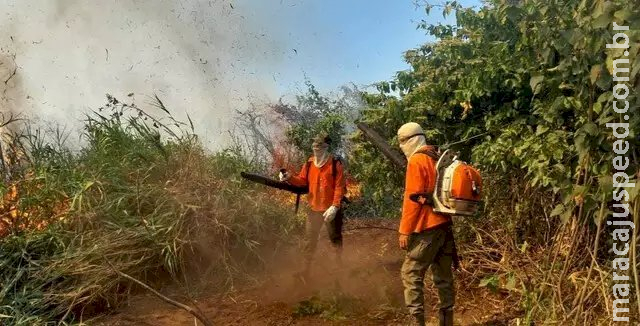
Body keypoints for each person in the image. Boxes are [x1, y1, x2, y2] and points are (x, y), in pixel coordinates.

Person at [396, 122, 455, 326]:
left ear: (411, 140)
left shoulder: (417, 161)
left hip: (427, 228)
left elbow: (412, 199)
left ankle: (416, 322)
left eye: (402, 141)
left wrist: (405, 231)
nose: (401, 146)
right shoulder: (437, 156)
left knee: (411, 274)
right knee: (443, 278)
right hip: (445, 226)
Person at [279, 133, 346, 279]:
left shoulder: (335, 164)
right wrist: (289, 178)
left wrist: (335, 207)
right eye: (314, 144)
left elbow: (339, 187)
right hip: (313, 209)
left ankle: (338, 270)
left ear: (326, 146)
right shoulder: (309, 164)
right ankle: (305, 271)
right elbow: (302, 181)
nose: (316, 146)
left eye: (319, 144)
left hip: (330, 210)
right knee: (309, 240)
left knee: (335, 239)